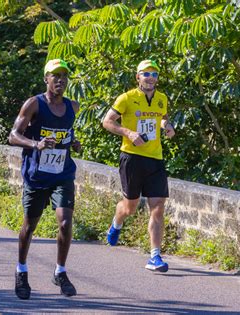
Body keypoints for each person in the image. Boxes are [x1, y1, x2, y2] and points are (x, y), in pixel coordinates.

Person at [8, 59, 81, 299]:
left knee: (65, 224)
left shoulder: (73, 106)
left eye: (64, 76)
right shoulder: (34, 104)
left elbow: (65, 135)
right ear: (46, 79)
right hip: (37, 175)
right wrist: (35, 144)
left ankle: (60, 271)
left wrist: (74, 143)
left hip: (62, 173)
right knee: (30, 227)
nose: (60, 80)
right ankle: (21, 270)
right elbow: (13, 136)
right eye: (55, 75)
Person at [102, 59, 176, 272]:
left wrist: (167, 126)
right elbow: (107, 122)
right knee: (130, 207)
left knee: (158, 206)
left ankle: (155, 256)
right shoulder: (127, 98)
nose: (150, 77)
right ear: (138, 77)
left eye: (154, 74)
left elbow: (161, 117)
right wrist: (129, 133)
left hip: (155, 158)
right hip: (132, 157)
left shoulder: (162, 99)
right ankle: (116, 223)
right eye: (146, 73)